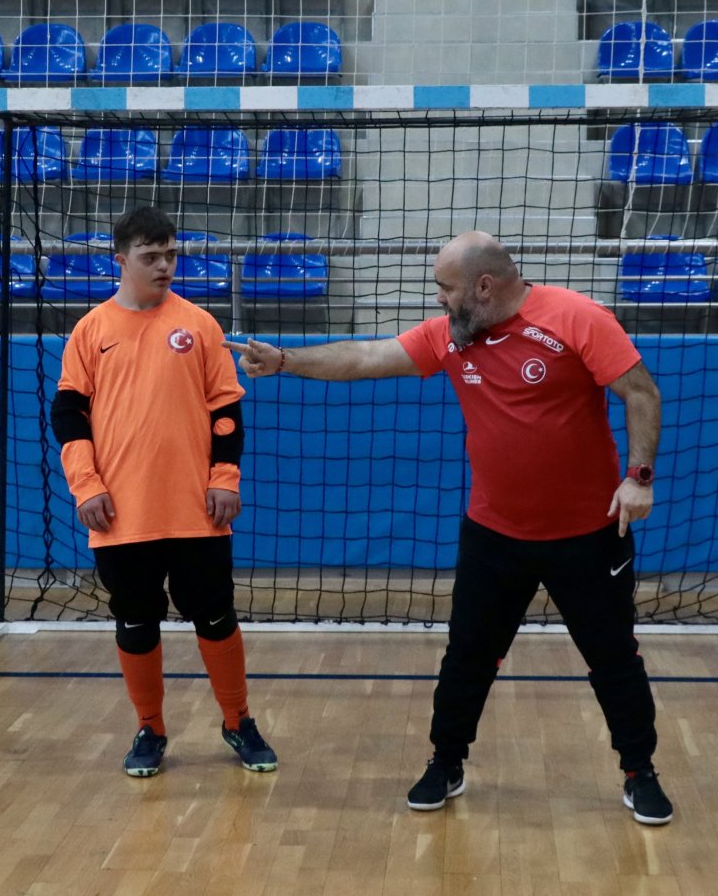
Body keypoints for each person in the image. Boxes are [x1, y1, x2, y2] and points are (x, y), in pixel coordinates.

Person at [226, 231, 672, 824]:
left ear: (484, 287)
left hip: (588, 534)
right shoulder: (452, 337)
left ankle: (639, 771)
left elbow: (640, 391)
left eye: (446, 289)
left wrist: (638, 477)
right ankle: (446, 761)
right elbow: (366, 357)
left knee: (614, 656)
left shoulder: (578, 318)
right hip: (494, 535)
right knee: (467, 656)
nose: (439, 301)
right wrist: (287, 362)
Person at [51, 206, 277, 778]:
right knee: (135, 623)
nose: (165, 266)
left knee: (216, 617)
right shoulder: (91, 331)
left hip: (198, 511)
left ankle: (237, 721)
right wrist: (86, 486)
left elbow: (226, 413)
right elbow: (69, 417)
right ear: (121, 260)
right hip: (120, 514)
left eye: (171, 254)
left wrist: (224, 479)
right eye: (151, 256)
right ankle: (149, 728)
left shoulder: (199, 325)